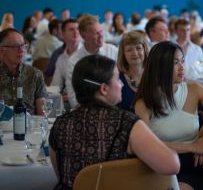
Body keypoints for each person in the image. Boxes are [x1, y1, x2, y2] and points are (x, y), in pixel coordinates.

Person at [49, 54, 180, 190]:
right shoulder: (126, 123)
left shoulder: (60, 124)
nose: (122, 84)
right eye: (117, 79)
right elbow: (172, 165)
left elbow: (61, 174)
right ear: (104, 89)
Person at [135, 41, 203, 190]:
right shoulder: (144, 102)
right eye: (175, 63)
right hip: (157, 165)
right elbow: (145, 146)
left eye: (182, 61)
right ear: (160, 66)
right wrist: (193, 146)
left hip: (189, 165)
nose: (182, 67)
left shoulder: (194, 89)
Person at [65, 14, 118, 108]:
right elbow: (73, 98)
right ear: (83, 36)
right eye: (96, 33)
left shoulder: (113, 51)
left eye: (101, 31)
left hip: (115, 107)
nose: (101, 35)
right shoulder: (74, 61)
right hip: (86, 111)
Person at [0, 28, 46, 115]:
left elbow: (42, 113)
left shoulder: (35, 74)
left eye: (23, 46)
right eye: (15, 46)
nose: (21, 50)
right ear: (2, 50)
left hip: (29, 126)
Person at [116, 30, 149, 112]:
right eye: (129, 50)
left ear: (145, 50)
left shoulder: (155, 75)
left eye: (138, 48)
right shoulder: (116, 78)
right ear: (123, 54)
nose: (134, 53)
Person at [51, 19, 81, 94]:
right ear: (63, 34)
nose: (76, 32)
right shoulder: (61, 59)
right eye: (71, 29)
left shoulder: (87, 54)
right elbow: (56, 85)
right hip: (67, 99)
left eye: (78, 29)